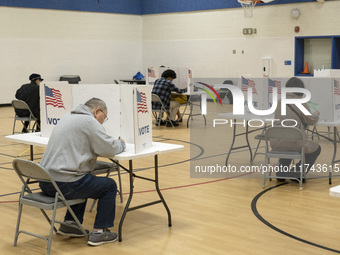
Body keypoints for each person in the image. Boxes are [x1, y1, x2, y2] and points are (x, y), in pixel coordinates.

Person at [39, 98, 126, 246]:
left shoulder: (67, 117)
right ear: (97, 111)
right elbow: (108, 148)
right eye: (103, 118)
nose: (102, 122)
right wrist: (121, 144)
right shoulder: (89, 122)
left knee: (84, 178)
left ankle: (70, 225)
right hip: (63, 184)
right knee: (109, 186)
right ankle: (99, 232)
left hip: (45, 181)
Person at [270, 77, 321, 180]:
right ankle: (296, 173)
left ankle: (281, 173)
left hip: (276, 142)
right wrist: (316, 115)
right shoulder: (301, 102)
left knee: (286, 139)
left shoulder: (279, 102)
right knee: (316, 149)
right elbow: (311, 120)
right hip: (295, 142)